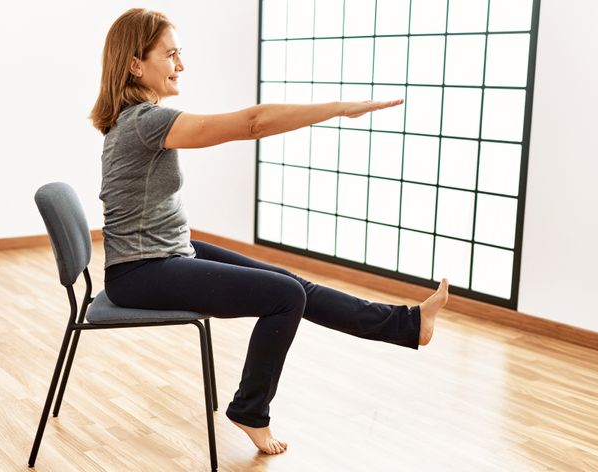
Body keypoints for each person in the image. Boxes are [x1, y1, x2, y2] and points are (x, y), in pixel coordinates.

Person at [90, 8, 449, 456]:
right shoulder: (145, 122)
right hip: (141, 272)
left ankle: (407, 324)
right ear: (135, 64)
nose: (181, 65)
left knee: (293, 285)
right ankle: (250, 410)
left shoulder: (137, 120)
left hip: (165, 255)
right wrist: (338, 109)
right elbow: (253, 123)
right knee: (285, 297)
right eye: (171, 54)